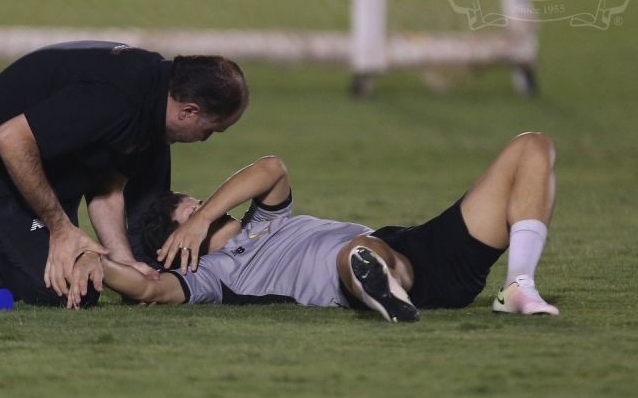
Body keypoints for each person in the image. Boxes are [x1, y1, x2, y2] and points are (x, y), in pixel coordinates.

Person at [68, 132, 560, 320]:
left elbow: (272, 168)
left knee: (531, 149)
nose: (210, 210)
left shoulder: (263, 220)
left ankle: (518, 284)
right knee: (355, 254)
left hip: (415, 245)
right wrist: (99, 263)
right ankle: (383, 287)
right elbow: (149, 291)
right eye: (194, 208)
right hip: (364, 267)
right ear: (174, 244)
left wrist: (199, 217)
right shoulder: (211, 277)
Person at [0, 41, 248, 306]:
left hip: (51, 174)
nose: (205, 140)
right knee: (69, 293)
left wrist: (123, 260)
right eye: (210, 130)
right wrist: (61, 229)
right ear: (189, 112)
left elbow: (108, 191)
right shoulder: (115, 98)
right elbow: (9, 139)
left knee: (122, 273)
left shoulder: (153, 99)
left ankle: (28, 237)